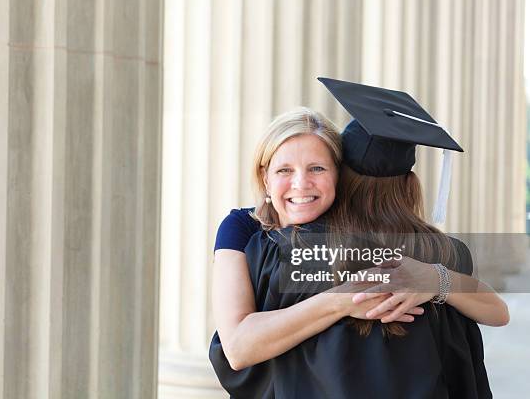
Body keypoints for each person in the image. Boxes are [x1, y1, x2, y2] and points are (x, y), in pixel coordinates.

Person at [209, 78, 509, 398]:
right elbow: (239, 348)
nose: (301, 183)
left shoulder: (275, 254)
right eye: (285, 170)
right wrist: (344, 299)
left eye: (317, 169)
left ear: (340, 178)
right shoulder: (443, 252)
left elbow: (248, 364)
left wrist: (435, 279)